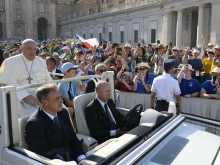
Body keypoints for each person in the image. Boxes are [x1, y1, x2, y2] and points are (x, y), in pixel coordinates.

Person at [25, 83, 86, 162]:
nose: (62, 100)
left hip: (72, 157)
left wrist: (81, 158)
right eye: (57, 98)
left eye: (60, 97)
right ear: (45, 102)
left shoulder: (63, 113)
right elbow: (43, 154)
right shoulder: (34, 124)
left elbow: (72, 137)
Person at [0, 39, 52, 117]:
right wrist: (25, 96)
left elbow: (49, 80)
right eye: (29, 49)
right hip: (21, 98)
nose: (32, 51)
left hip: (43, 96)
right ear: (22, 49)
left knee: (62, 110)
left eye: (34, 49)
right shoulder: (10, 62)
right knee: (34, 115)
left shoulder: (41, 62)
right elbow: (7, 83)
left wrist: (51, 94)